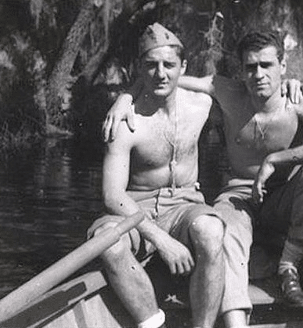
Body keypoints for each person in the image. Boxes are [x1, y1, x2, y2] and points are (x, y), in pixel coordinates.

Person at [105, 30, 303, 327]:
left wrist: (275, 159)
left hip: (285, 197)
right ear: (241, 70)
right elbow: (164, 77)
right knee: (221, 232)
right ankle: (235, 323)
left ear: (282, 67)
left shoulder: (299, 99)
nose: (258, 74)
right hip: (240, 195)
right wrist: (124, 98)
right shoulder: (226, 92)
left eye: (267, 65)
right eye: (250, 67)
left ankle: (289, 264)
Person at [88, 22, 225, 328]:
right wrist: (161, 240)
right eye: (150, 65)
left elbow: (248, 94)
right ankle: (153, 322)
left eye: (169, 65)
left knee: (211, 231)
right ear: (139, 67)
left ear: (183, 67)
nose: (160, 73)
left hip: (185, 205)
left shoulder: (203, 105)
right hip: (137, 209)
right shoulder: (124, 121)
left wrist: (292, 87)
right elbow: (112, 195)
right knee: (106, 242)